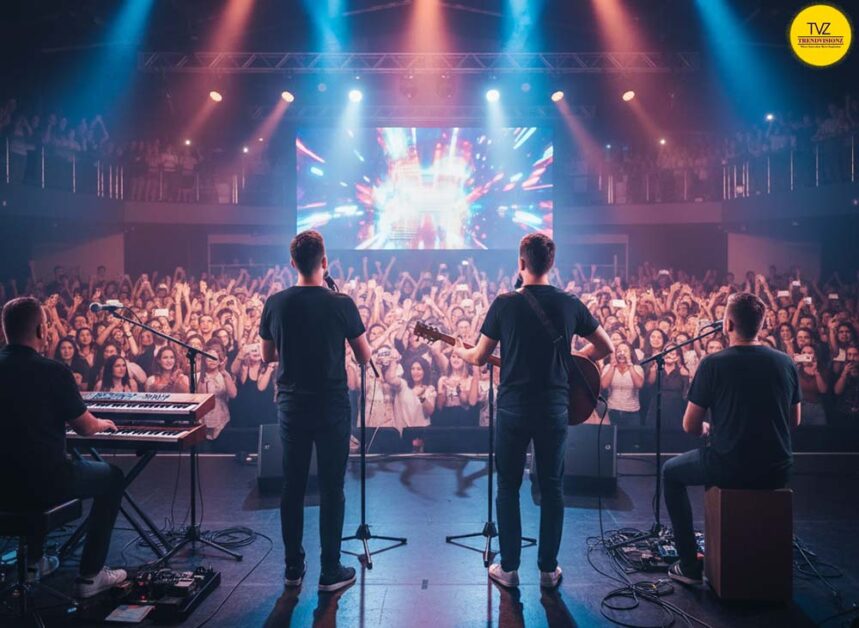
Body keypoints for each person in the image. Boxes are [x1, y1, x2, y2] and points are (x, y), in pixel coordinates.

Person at [454, 233, 613, 590]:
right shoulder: (569, 303)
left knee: (508, 486)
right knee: (553, 487)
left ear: (521, 263)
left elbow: (479, 357)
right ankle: (548, 570)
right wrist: (573, 363)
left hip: (512, 408)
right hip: (555, 407)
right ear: (551, 264)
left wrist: (461, 352)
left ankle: (508, 569)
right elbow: (607, 346)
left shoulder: (505, 303)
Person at [260, 230, 372, 593]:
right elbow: (363, 355)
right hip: (331, 405)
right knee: (332, 487)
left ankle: (293, 569)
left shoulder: (276, 302)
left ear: (292, 263)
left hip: (293, 404)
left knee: (292, 487)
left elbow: (267, 356)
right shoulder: (342, 303)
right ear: (325, 262)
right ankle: (329, 570)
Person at [662, 292, 801, 585]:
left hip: (730, 465)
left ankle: (688, 565)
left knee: (670, 473)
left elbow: (690, 426)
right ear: (760, 326)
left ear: (727, 324)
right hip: (776, 468)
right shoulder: (785, 362)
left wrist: (707, 429)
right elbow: (794, 421)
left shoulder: (714, 364)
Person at [0, 297, 128, 598]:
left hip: (2, 484)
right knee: (112, 477)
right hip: (46, 482)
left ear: (6, 330)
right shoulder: (53, 371)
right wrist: (103, 423)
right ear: (43, 330)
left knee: (34, 460)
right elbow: (85, 427)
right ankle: (90, 576)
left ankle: (35, 562)